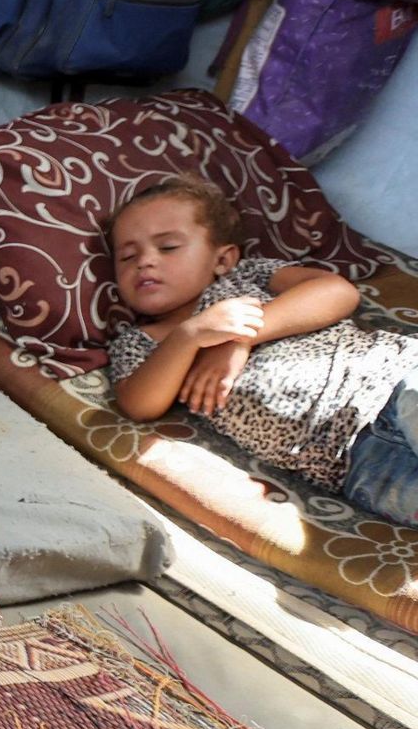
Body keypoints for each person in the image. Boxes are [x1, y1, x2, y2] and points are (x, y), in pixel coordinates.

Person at [105, 175, 418, 523]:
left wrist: (242, 337)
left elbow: (337, 291)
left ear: (222, 260)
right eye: (128, 256)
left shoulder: (247, 278)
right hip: (354, 459)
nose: (144, 261)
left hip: (390, 380)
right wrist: (190, 335)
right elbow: (138, 403)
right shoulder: (144, 343)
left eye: (168, 247)